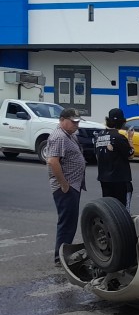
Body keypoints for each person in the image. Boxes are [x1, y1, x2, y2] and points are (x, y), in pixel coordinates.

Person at [47, 108, 86, 266]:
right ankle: (60, 258)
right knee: (67, 222)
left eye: (77, 122)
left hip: (73, 185)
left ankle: (64, 254)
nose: (76, 124)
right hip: (66, 187)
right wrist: (64, 184)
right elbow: (52, 161)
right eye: (73, 121)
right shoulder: (58, 137)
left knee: (70, 221)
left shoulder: (68, 135)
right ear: (62, 120)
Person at [94, 108, 134, 210]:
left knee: (108, 210)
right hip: (120, 179)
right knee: (122, 211)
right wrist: (130, 139)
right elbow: (130, 154)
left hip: (104, 179)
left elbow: (97, 155)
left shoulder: (98, 136)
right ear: (121, 123)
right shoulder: (119, 137)